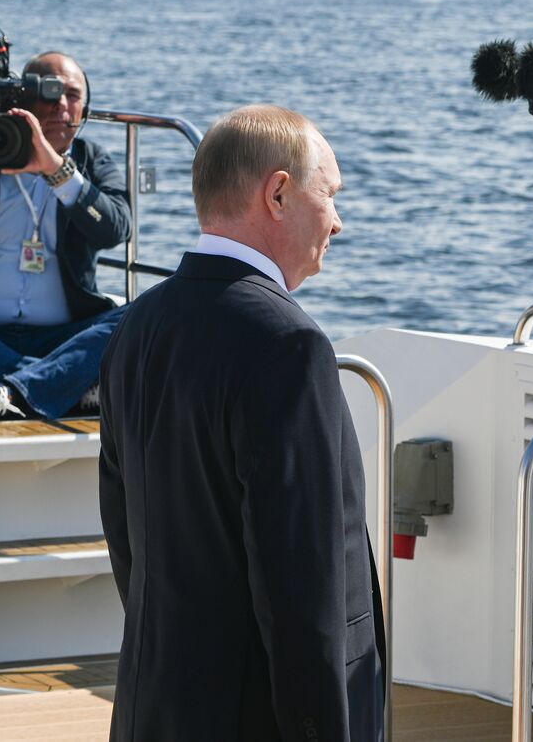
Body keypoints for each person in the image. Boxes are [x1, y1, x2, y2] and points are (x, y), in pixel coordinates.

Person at [98, 104, 385, 741]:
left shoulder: (136, 327)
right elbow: (300, 584)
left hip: (157, 705)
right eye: (330, 195)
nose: (337, 222)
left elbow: (126, 538)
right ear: (278, 193)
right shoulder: (288, 344)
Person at [0, 51, 130, 423]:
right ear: (22, 99)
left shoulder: (91, 161)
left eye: (71, 94)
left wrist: (58, 172)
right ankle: (57, 383)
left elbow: (115, 229)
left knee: (141, 314)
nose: (60, 104)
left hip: (65, 334)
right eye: (47, 92)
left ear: (84, 110)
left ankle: (9, 393)